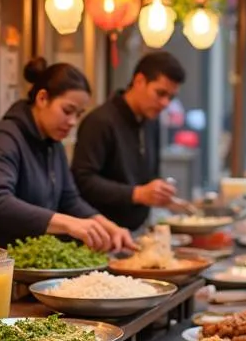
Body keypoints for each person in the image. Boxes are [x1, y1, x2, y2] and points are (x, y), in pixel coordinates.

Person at [0, 59, 134, 251]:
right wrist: (68, 223)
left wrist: (105, 225)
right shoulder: (3, 138)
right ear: (42, 98)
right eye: (67, 110)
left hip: (24, 260)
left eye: (78, 114)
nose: (72, 122)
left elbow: (70, 199)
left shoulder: (53, 144)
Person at [71, 51, 186, 231]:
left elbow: (150, 175)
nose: (165, 103)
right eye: (160, 93)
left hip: (139, 230)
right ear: (139, 81)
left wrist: (160, 192)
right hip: (100, 233)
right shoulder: (100, 121)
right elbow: (82, 181)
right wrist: (137, 194)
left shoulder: (152, 121)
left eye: (171, 97)